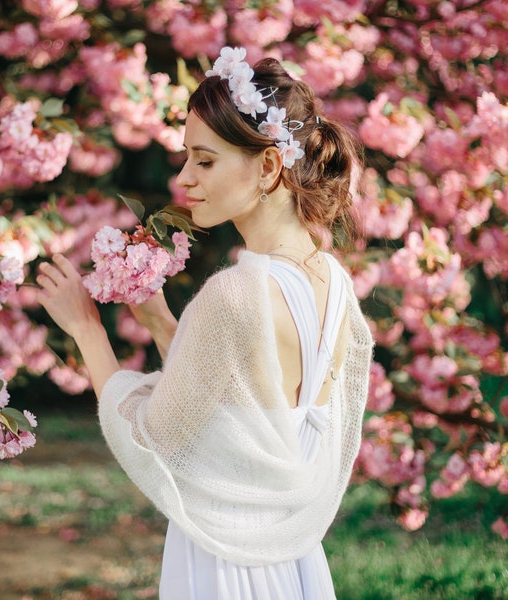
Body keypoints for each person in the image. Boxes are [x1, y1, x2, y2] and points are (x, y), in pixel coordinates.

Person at [36, 46, 374, 599]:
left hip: (223, 565)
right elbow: (249, 407)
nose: (185, 178)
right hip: (294, 565)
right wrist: (167, 326)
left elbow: (153, 439)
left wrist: (87, 330)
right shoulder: (334, 285)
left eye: (205, 160)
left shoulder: (237, 294)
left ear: (268, 166)